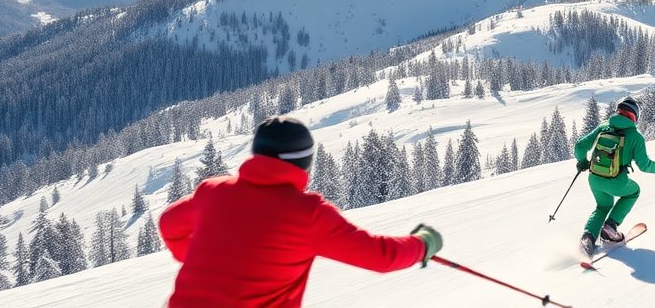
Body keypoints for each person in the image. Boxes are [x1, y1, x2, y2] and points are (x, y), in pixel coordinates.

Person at [160, 116, 443, 307]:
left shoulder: (213, 191)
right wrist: (423, 243)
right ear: (305, 162)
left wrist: (206, 262)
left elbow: (169, 223)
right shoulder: (308, 215)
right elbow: (382, 257)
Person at [572, 96, 655, 256]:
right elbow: (644, 165)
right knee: (633, 192)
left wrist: (582, 162)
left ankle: (587, 238)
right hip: (616, 180)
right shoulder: (636, 137)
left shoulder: (604, 128)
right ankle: (610, 226)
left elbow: (580, 146)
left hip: (594, 178)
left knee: (602, 206)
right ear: (635, 116)